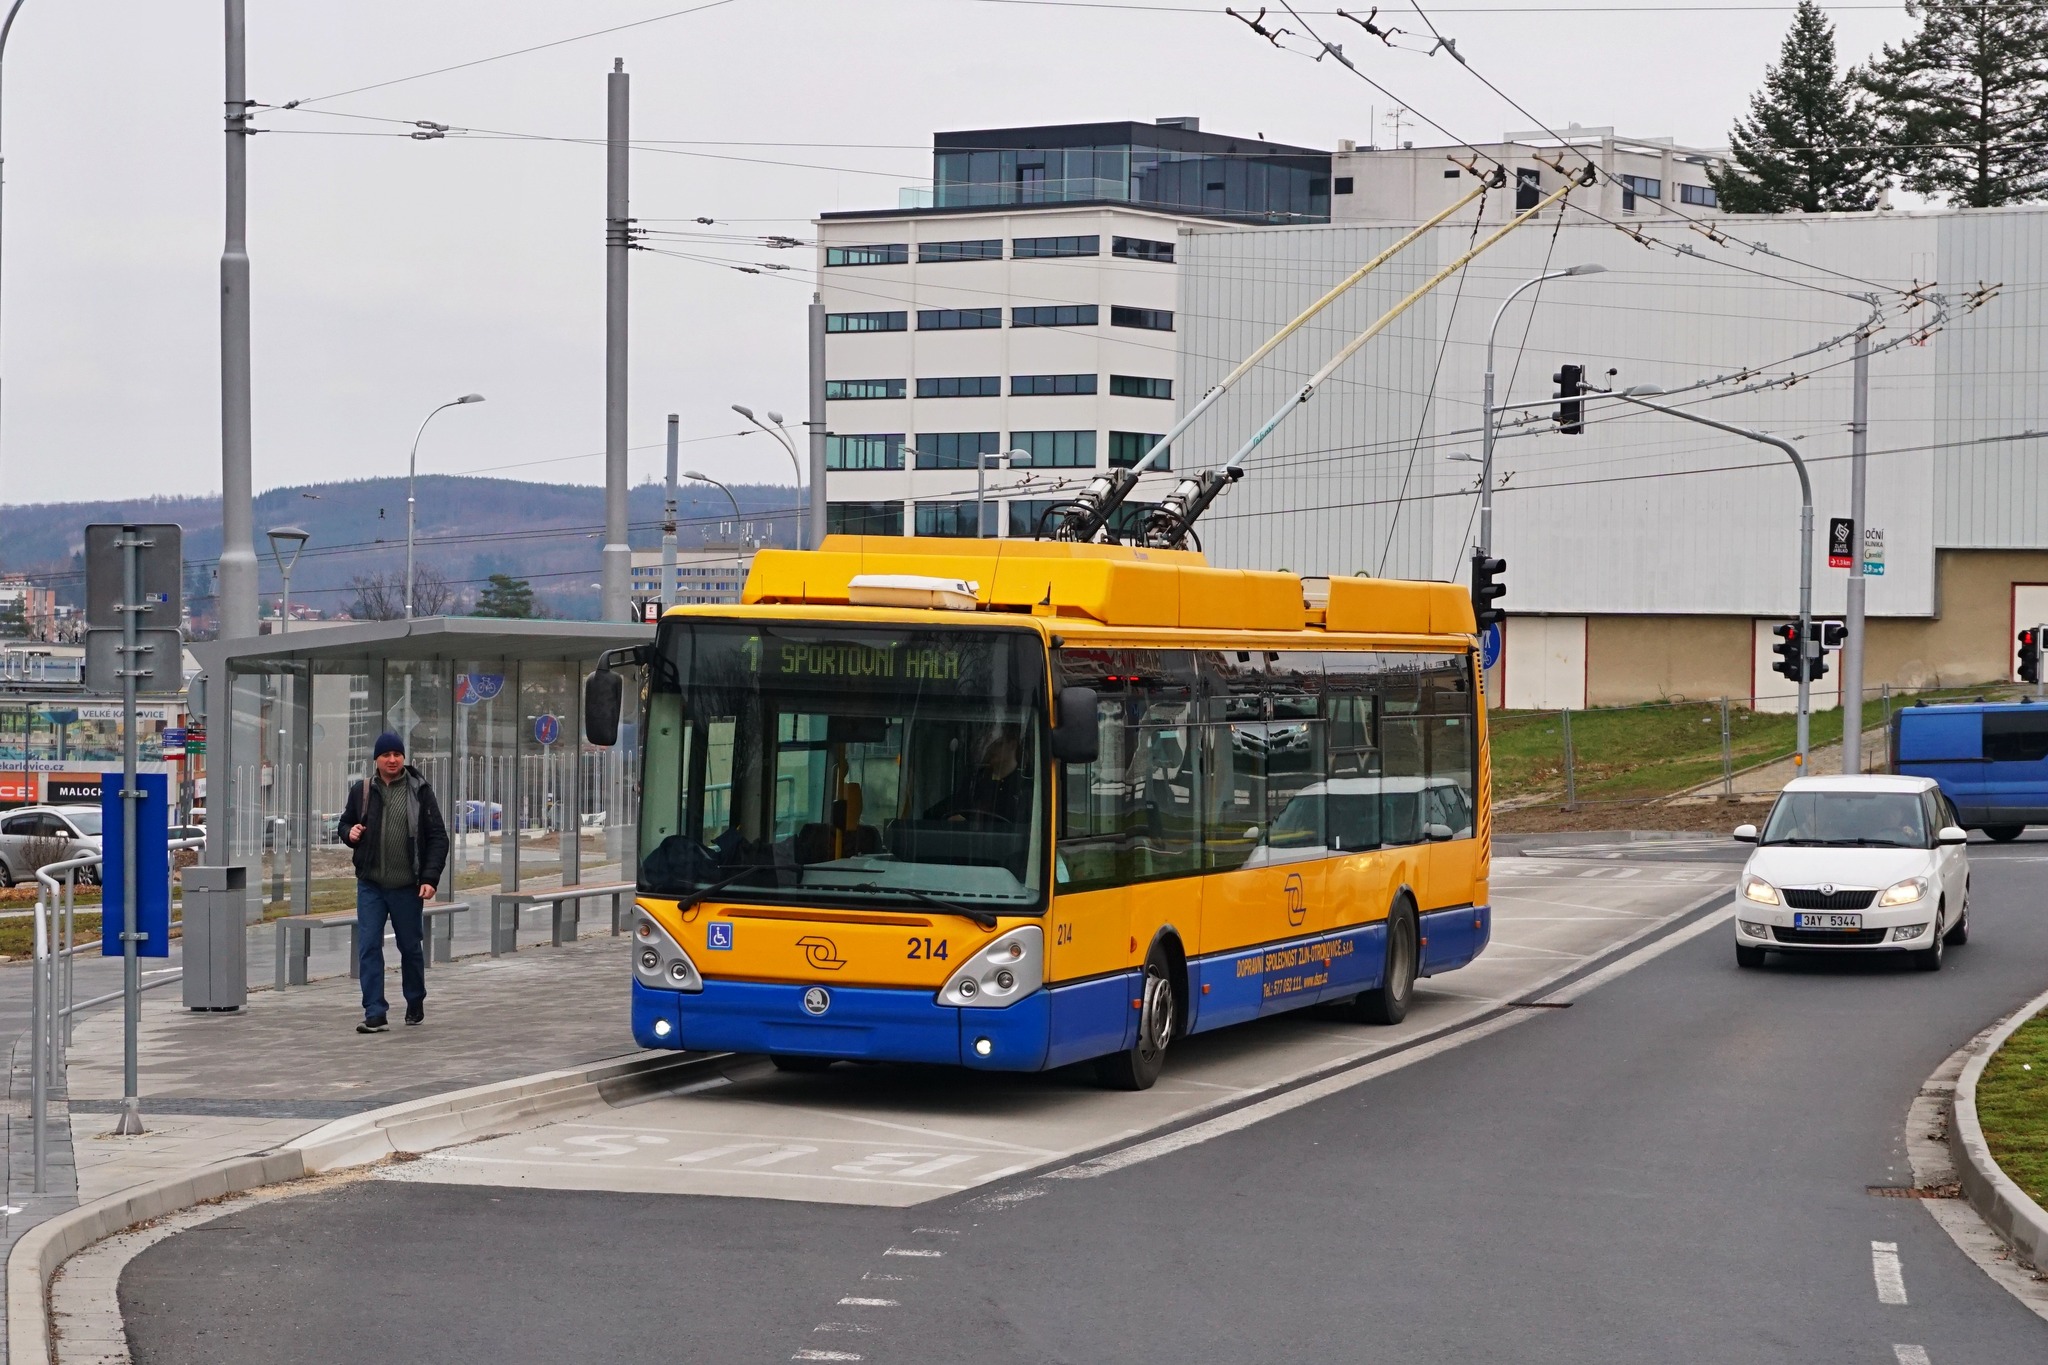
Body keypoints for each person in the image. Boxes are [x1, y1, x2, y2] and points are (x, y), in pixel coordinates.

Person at [337, 732, 449, 1034]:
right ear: (376, 759)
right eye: (386, 755)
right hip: (371, 884)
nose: (392, 760)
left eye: (397, 754)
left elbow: (438, 837)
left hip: (407, 886)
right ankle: (375, 1012)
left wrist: (430, 878)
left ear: (403, 758)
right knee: (368, 946)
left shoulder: (419, 790)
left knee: (410, 947)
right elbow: (344, 824)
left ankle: (415, 1000)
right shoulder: (362, 790)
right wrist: (350, 833)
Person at [929, 728, 1029, 827]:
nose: (991, 748)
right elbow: (939, 811)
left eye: (999, 744)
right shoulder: (975, 781)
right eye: (990, 744)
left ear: (1012, 745)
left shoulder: (1024, 788)